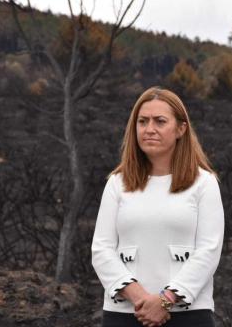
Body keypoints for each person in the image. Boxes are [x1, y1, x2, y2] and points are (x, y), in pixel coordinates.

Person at [92, 87, 224, 327]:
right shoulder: (117, 182)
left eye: (160, 121)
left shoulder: (204, 183)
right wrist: (142, 300)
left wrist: (165, 300)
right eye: (142, 122)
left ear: (181, 129)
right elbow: (101, 250)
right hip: (125, 313)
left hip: (188, 314)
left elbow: (209, 251)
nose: (149, 129)